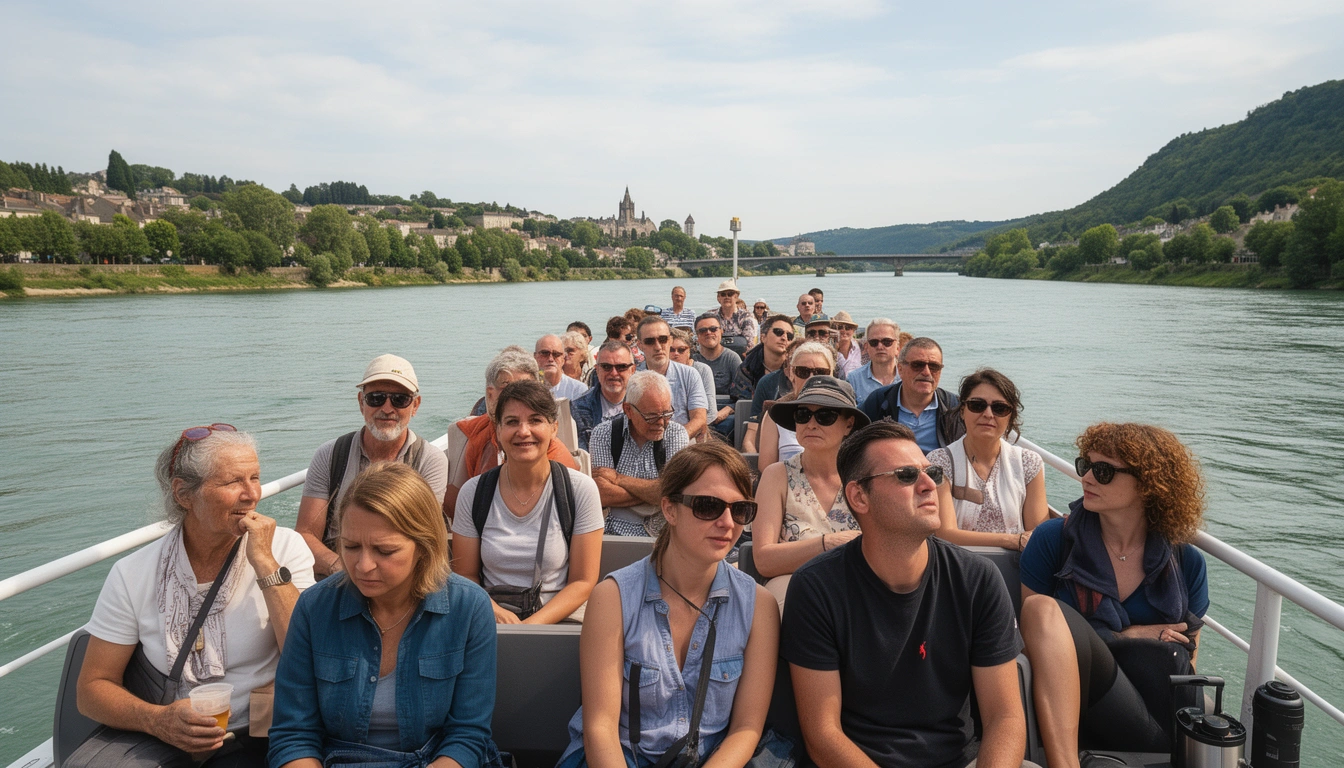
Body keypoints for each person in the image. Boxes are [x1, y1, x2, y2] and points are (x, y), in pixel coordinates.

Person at [782, 421, 1028, 768]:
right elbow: (823, 737)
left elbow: (1005, 718)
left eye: (933, 472)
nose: (930, 485)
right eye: (906, 475)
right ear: (859, 497)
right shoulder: (816, 589)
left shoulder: (977, 580)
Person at [75, 425, 314, 767]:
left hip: (258, 734)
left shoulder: (286, 550)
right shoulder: (134, 572)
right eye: (233, 482)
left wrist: (265, 563)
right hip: (162, 734)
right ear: (184, 494)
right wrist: (156, 720)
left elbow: (304, 655)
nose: (252, 495)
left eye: (255, 477)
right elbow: (91, 689)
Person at [556, 443, 783, 768]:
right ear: (670, 509)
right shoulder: (612, 599)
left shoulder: (759, 606)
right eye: (708, 506)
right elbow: (600, 728)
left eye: (740, 510)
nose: (728, 523)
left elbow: (746, 729)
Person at [268, 463, 503, 768]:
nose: (363, 565)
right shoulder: (314, 608)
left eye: (385, 551)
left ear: (423, 546)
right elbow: (294, 735)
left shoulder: (468, 607)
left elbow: (467, 735)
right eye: (351, 546)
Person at [1019, 423, 1209, 766]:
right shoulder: (1054, 542)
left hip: (1155, 716)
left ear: (1148, 484)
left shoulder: (1185, 561)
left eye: (1103, 471)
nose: (1087, 478)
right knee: (1039, 610)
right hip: (1074, 702)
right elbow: (1029, 641)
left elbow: (1188, 659)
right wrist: (1129, 635)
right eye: (1085, 466)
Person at [452, 380, 605, 624]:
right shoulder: (474, 493)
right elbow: (465, 575)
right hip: (489, 619)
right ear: (498, 430)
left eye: (535, 420)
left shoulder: (579, 490)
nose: (524, 431)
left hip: (559, 618)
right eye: (512, 422)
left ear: (554, 428)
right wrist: (496, 614)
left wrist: (530, 628)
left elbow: (583, 581)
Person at [296, 354, 448, 578]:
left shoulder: (429, 460)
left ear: (415, 405)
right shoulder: (330, 455)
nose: (387, 409)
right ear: (361, 402)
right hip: (336, 577)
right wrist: (344, 570)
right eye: (376, 398)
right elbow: (305, 534)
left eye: (400, 400)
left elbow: (425, 538)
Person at [753, 377, 869, 610]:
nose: (811, 424)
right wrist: (828, 544)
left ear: (848, 424)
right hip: (792, 584)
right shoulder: (777, 476)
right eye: (803, 415)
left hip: (856, 584)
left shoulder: (866, 478)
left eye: (825, 416)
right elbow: (764, 559)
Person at [444, 347, 579, 521]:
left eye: (526, 390)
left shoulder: (555, 456)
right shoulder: (479, 434)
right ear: (490, 395)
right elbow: (458, 507)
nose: (518, 398)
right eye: (509, 389)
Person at [928, 369, 1047, 552]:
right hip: (958, 566)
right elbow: (946, 533)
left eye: (999, 408)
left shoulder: (1028, 463)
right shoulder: (940, 462)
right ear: (962, 411)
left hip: (1014, 568)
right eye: (977, 405)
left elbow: (1037, 532)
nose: (988, 414)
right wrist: (1012, 540)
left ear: (1010, 417)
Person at [590, 371, 691, 537]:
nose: (661, 423)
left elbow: (674, 489)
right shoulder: (603, 434)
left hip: (662, 537)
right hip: (613, 536)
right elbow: (601, 493)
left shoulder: (676, 433)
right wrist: (657, 492)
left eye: (666, 414)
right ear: (628, 410)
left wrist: (618, 479)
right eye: (651, 416)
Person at [860, 337, 965, 455]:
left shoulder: (954, 407)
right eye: (918, 365)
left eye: (934, 366)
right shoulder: (879, 402)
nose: (926, 372)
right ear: (900, 369)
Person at [758, 342, 838, 469]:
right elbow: (766, 468)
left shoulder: (843, 413)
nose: (811, 378)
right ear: (791, 374)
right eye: (803, 371)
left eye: (820, 372)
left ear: (831, 375)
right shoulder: (775, 414)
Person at [636, 316, 709, 439]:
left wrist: (675, 442)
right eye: (650, 341)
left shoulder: (689, 374)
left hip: (684, 443)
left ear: (670, 340)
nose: (658, 346)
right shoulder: (633, 378)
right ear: (640, 345)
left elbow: (699, 419)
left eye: (663, 339)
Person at [738, 315, 796, 450]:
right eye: (778, 332)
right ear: (763, 337)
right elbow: (751, 434)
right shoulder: (750, 368)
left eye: (790, 336)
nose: (784, 338)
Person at [570, 341, 636, 452]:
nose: (614, 373)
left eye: (621, 367)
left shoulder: (644, 405)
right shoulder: (578, 408)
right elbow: (581, 454)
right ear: (597, 369)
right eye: (606, 367)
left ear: (632, 370)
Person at [692, 312, 745, 439]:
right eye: (703, 330)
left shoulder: (732, 358)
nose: (708, 333)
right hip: (698, 413)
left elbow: (743, 394)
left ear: (721, 331)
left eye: (713, 329)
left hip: (725, 415)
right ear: (697, 336)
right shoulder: (692, 360)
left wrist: (725, 411)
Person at [670, 327, 717, 437]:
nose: (676, 354)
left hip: (699, 429)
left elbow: (711, 412)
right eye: (671, 350)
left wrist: (690, 430)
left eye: (681, 350)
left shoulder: (702, 370)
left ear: (689, 351)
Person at [846, 319, 900, 404]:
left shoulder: (907, 377)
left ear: (897, 347)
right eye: (874, 342)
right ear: (866, 347)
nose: (880, 347)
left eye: (887, 342)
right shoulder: (854, 379)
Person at [709, 279, 759, 354]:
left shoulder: (746, 316)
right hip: (715, 355)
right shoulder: (711, 316)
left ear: (736, 297)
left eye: (730, 294)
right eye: (723, 294)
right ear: (718, 298)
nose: (727, 297)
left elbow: (749, 344)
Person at [536, 334, 588, 401]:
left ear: (563, 359)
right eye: (545, 353)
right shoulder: (527, 388)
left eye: (556, 354)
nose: (550, 359)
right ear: (535, 357)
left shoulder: (578, 389)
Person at [830, 311, 862, 377]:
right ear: (833, 329)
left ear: (853, 331)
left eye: (848, 328)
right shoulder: (829, 349)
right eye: (840, 327)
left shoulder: (859, 348)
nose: (844, 330)